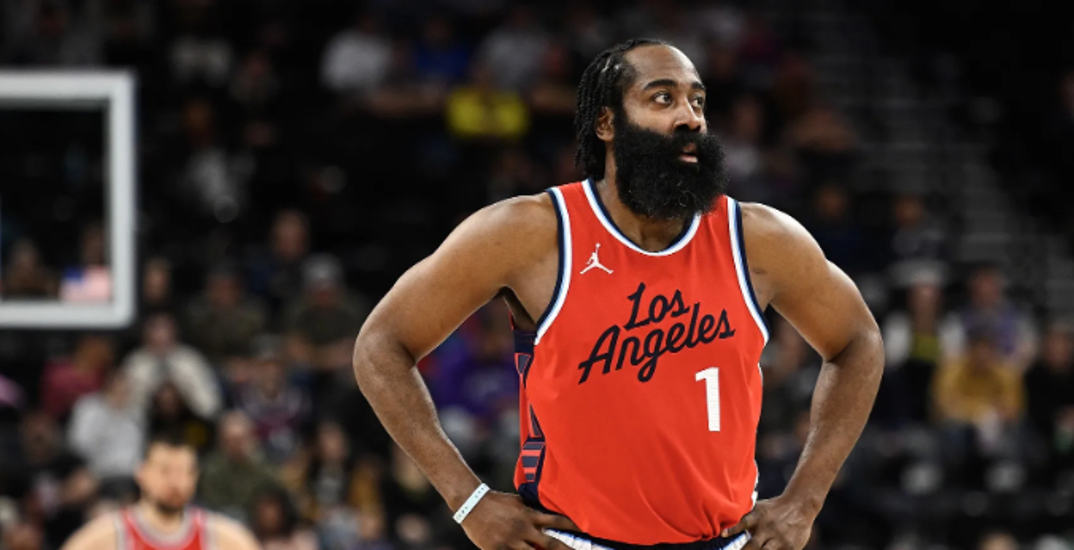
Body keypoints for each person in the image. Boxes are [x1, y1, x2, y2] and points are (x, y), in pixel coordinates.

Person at [352, 39, 883, 550]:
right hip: (572, 541)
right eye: (663, 98)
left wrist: (805, 500)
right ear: (606, 123)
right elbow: (381, 346)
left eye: (698, 101)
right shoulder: (530, 233)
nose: (690, 118)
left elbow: (858, 340)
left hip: (724, 540)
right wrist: (467, 500)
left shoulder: (758, 239)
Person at [59, 433, 260, 550]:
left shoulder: (224, 538)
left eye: (185, 472)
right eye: (165, 471)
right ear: (141, 473)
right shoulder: (104, 537)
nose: (175, 482)